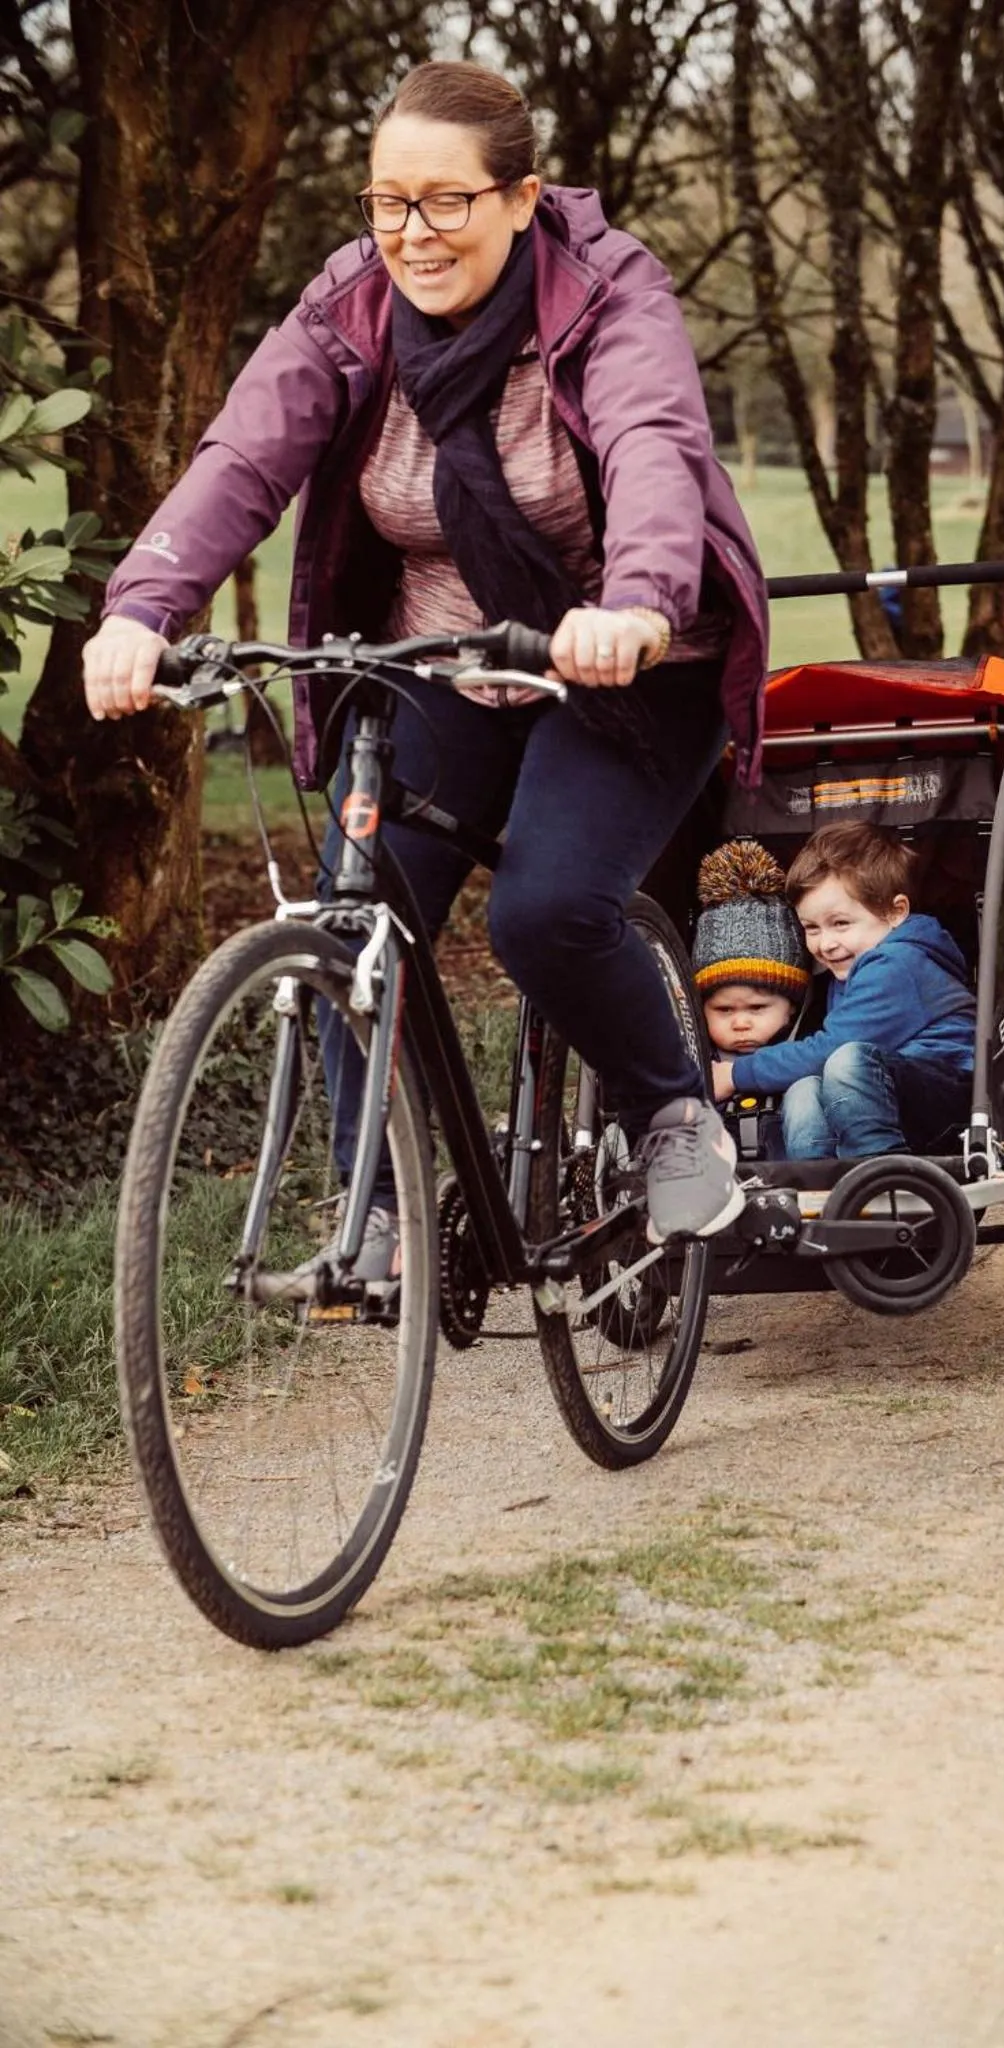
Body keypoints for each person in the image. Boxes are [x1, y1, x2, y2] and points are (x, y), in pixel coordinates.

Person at [81, 59, 769, 1261]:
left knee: (545, 911)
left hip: (627, 663)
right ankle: (380, 1211)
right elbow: (243, 458)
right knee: (354, 915)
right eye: (389, 202)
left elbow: (652, 444)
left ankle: (672, 1110)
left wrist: (638, 602)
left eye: (447, 200)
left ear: (522, 196)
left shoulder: (608, 294)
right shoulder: (349, 307)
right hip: (446, 659)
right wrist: (144, 607)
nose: (414, 232)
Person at [711, 821, 975, 1160]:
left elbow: (831, 1047)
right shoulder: (849, 969)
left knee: (844, 1062)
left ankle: (879, 1172)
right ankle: (817, 1179)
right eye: (812, 928)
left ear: (895, 912)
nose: (826, 944)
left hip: (947, 1099)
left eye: (840, 923)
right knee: (803, 1089)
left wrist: (736, 1074)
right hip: (890, 1093)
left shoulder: (897, 964)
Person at [692, 839, 810, 1161]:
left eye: (757, 1008)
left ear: (792, 1007)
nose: (741, 1022)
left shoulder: (808, 1047)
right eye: (723, 1009)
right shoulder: (694, 1059)